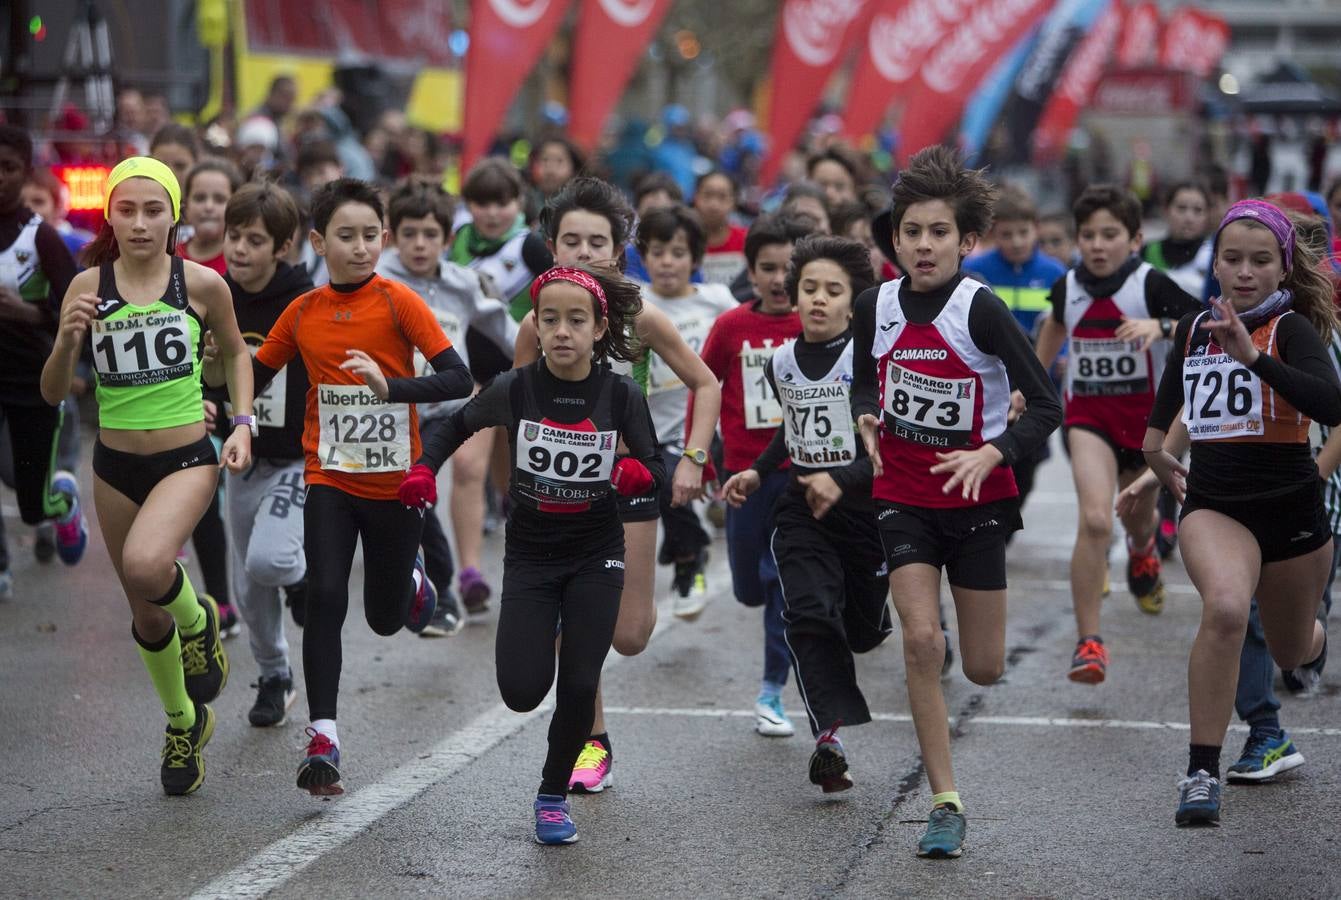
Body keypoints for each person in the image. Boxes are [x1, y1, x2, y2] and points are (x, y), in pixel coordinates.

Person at [399, 264, 663, 844]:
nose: (562, 331)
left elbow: (659, 471)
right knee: (521, 691)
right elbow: (453, 429)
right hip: (531, 557)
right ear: (536, 328)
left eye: (576, 320)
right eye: (549, 320)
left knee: (578, 683)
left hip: (597, 554)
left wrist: (636, 470)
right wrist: (424, 469)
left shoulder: (620, 395)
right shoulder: (515, 388)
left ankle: (551, 795)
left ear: (599, 329)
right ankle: (541, 657)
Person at [851, 147, 1061, 858]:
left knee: (981, 667)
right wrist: (865, 417)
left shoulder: (982, 310)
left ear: (966, 240)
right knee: (918, 643)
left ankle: (939, 627)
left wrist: (992, 449)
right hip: (902, 497)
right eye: (910, 231)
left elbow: (1047, 408)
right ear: (896, 238)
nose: (922, 245)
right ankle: (944, 800)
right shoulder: (873, 305)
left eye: (937, 232)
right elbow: (859, 380)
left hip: (975, 502)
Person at [248, 177, 473, 795]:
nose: (361, 248)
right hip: (329, 475)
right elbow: (255, 374)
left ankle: (412, 579)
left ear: (385, 238)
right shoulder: (303, 313)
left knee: (384, 618)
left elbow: (458, 379)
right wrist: (223, 395)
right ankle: (324, 737)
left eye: (371, 236)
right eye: (346, 237)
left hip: (396, 483)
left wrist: (390, 388)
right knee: (324, 594)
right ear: (318, 242)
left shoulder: (399, 302)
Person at [41, 155, 255, 794]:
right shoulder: (87, 287)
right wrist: (65, 346)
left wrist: (241, 422)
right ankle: (183, 722)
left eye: (153, 209)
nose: (139, 223)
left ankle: (203, 620)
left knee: (146, 565)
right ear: (109, 214)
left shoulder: (201, 284)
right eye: (126, 210)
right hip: (113, 466)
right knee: (146, 615)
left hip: (186, 457)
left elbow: (238, 352)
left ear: (174, 215)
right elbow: (54, 393)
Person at [513, 176, 720, 796]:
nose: (583, 252)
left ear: (618, 247)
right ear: (552, 247)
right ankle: (590, 735)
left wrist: (691, 460)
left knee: (629, 635)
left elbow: (706, 384)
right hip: (559, 497)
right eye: (570, 240)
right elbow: (514, 409)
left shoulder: (641, 318)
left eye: (596, 241)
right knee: (571, 615)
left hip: (631, 485)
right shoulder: (536, 324)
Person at [1141, 199, 1340, 826]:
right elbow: (1165, 414)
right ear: (1217, 266)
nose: (1245, 272)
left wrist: (1253, 358)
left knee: (1289, 650)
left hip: (1292, 511)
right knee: (1226, 608)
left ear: (1284, 268)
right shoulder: (1194, 329)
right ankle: (1201, 771)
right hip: (1215, 507)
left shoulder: (1293, 328)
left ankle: (1315, 638)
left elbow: (1331, 402)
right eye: (1233, 259)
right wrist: (1153, 458)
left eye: (1260, 261)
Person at [724, 235, 892, 792]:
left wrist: (841, 478)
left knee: (863, 635)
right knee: (808, 611)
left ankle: (872, 615)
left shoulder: (867, 360)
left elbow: (885, 452)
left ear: (853, 303)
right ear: (794, 297)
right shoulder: (780, 361)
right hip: (801, 509)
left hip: (865, 512)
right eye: (809, 289)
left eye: (832, 291)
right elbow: (791, 429)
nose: (818, 300)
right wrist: (757, 468)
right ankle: (829, 740)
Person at [1033, 185, 1202, 682]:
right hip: (1089, 419)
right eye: (1089, 236)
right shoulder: (1069, 286)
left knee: (1137, 520)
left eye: (1110, 235)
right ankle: (1089, 642)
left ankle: (1144, 551)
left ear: (1134, 239)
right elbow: (1053, 329)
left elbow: (1205, 322)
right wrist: (1030, 384)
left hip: (1146, 426)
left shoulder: (1150, 283)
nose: (1098, 245)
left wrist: (1161, 327)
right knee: (1095, 520)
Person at [376, 178, 519, 635]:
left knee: (463, 478)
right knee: (410, 504)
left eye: (430, 235)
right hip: (394, 412)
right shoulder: (375, 279)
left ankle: (463, 578)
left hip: (452, 408)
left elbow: (506, 332)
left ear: (447, 238)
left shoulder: (462, 283)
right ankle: (428, 583)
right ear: (392, 235)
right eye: (410, 233)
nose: (420, 245)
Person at [694, 214, 805, 736]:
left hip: (798, 473)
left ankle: (771, 690)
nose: (780, 279)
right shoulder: (733, 326)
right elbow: (703, 383)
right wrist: (701, 454)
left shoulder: (815, 324)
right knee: (748, 584)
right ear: (751, 272)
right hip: (741, 472)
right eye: (768, 269)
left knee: (780, 581)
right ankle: (757, 578)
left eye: (789, 268)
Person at [218, 181, 315, 725]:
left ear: (283, 247)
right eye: (235, 236)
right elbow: (210, 370)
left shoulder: (304, 301)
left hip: (296, 458)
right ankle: (275, 675)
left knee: (271, 560)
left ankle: (302, 579)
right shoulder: (215, 293)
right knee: (248, 589)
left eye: (255, 240)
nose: (239, 249)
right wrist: (210, 405)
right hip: (242, 458)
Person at [0, 126, 85, 603]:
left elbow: (78, 311)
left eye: (8, 169)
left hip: (32, 381)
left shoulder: (42, 239)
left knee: (32, 505)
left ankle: (63, 503)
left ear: (25, 172)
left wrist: (28, 312)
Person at [636, 205, 735, 611]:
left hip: (701, 427)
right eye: (657, 251)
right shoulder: (635, 301)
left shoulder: (717, 300)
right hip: (646, 427)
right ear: (643, 258)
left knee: (666, 481)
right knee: (656, 488)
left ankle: (689, 558)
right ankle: (683, 552)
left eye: (677, 252)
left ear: (695, 258)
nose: (667, 262)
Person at [964, 186, 1068, 509]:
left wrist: (1061, 358)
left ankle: (1008, 513)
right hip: (995, 377)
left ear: (1036, 228)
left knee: (1030, 459)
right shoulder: (978, 269)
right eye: (1007, 235)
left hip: (1039, 379)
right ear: (994, 235)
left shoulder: (1054, 272)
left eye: (1024, 232)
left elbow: (1064, 323)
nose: (1017, 241)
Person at [178, 157, 246, 638]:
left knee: (233, 500)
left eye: (219, 199)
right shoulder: (167, 257)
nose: (207, 207)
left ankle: (250, 589)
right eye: (199, 196)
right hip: (181, 393)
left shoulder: (238, 263)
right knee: (200, 495)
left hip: (232, 391)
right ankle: (220, 601)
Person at [450, 157, 548, 324]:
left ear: (519, 202)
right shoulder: (459, 234)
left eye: (502, 204)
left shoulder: (532, 246)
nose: (492, 213)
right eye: (482, 204)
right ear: (467, 204)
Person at [1144, 182, 1214, 299]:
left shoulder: (1214, 255)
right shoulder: (1147, 251)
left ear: (1208, 215)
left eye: (1198, 210)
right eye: (1181, 208)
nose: (1189, 218)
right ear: (1165, 210)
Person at [692, 170, 748, 286]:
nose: (714, 204)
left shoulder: (747, 240)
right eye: (707, 195)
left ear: (734, 202)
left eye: (722, 197)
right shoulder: (684, 239)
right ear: (696, 198)